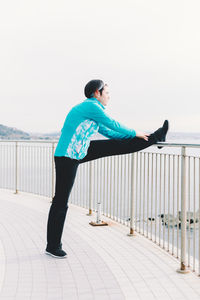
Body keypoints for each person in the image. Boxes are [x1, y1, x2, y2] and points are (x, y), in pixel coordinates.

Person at [46, 79, 169, 258]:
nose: (109, 97)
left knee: (117, 144)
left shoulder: (93, 112)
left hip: (79, 151)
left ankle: (156, 138)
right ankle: (53, 246)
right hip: (67, 156)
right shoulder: (90, 106)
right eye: (107, 93)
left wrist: (140, 136)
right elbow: (114, 124)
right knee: (61, 201)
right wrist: (135, 132)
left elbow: (111, 132)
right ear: (97, 92)